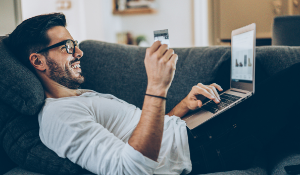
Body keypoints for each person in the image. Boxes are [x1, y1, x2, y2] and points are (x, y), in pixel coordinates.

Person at [3, 13, 300, 175]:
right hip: (207, 148)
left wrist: (182, 107)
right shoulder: (58, 118)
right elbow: (130, 169)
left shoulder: (77, 97)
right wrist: (156, 88)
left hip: (191, 131)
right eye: (67, 47)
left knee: (246, 64)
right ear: (38, 61)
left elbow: (142, 135)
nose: (78, 52)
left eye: (75, 43)